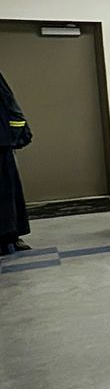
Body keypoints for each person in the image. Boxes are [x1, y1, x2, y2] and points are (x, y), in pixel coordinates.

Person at [0, 70, 29, 254]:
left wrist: (16, 136)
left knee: (7, 191)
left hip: (1, 145)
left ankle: (11, 236)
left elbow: (11, 106)